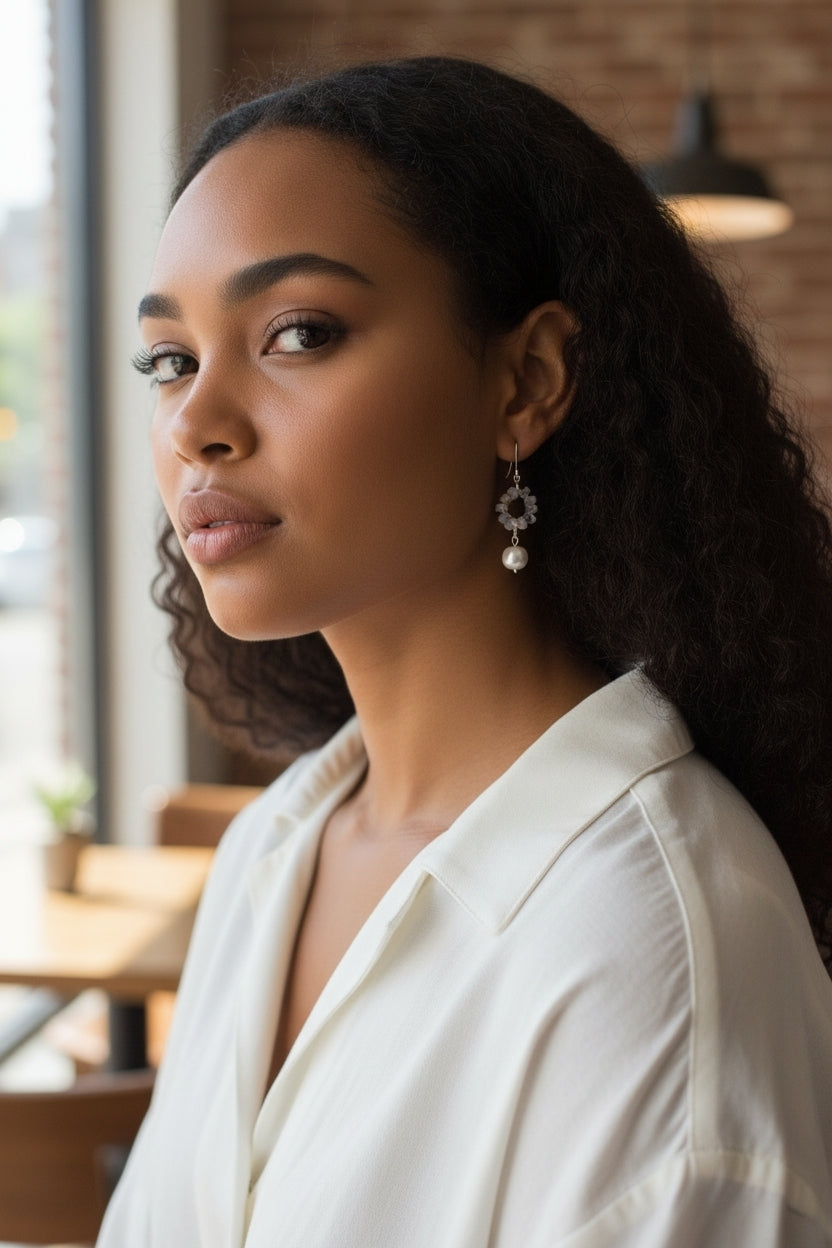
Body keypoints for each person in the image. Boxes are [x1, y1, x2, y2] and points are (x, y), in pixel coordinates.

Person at [98, 56, 832, 1247]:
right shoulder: (273, 850)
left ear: (528, 381)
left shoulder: (651, 958)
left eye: (298, 333)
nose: (194, 424)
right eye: (171, 360)